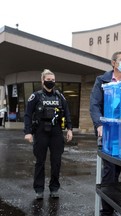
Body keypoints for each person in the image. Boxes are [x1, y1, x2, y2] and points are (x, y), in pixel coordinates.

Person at [90, 51, 121, 216]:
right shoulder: (102, 80)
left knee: (117, 169)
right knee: (109, 170)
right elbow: (94, 104)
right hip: (107, 131)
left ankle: (112, 202)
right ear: (113, 63)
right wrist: (99, 123)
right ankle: (106, 210)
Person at [24, 69, 73, 200]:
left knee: (56, 161)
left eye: (53, 80)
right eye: (48, 80)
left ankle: (54, 188)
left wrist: (69, 129)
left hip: (56, 131)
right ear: (42, 80)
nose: (51, 82)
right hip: (40, 131)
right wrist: (28, 132)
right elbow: (28, 114)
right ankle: (39, 189)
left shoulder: (59, 96)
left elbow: (67, 112)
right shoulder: (36, 96)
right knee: (40, 161)